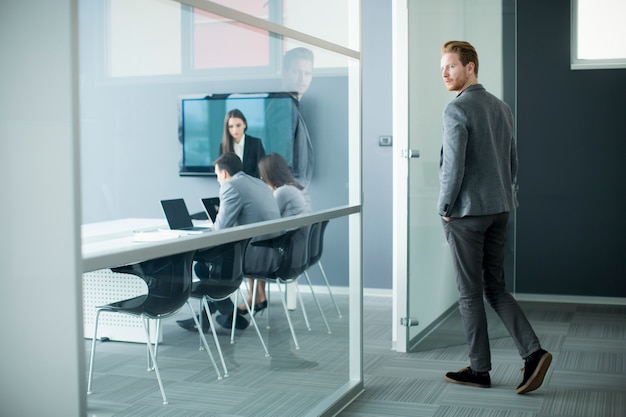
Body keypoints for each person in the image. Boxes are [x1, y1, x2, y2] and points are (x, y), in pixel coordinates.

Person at [437, 40, 552, 394]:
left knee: (470, 294)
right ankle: (533, 352)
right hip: (500, 208)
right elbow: (512, 162)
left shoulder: (456, 109)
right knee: (495, 287)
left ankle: (479, 369)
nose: (444, 73)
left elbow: (452, 167)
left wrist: (444, 207)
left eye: (451, 66)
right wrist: (506, 195)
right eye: (442, 67)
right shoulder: (502, 108)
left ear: (471, 67)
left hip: (467, 213)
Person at [177, 152, 281, 332]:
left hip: (253, 254)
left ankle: (229, 315)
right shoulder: (257, 182)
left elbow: (221, 229)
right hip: (271, 250)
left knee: (201, 266)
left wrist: (212, 226)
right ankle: (214, 317)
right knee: (211, 267)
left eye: (217, 175)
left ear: (224, 173)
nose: (218, 180)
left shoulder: (230, 186)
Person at [237, 153, 312, 314]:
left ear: (268, 174)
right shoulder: (298, 188)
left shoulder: (283, 192)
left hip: (283, 255)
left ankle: (255, 297)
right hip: (297, 251)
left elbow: (268, 216)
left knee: (247, 248)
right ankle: (258, 296)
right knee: (257, 244)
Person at [267, 47, 315, 188]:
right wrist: (290, 188)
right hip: (287, 188)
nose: (302, 78)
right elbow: (280, 156)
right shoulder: (283, 106)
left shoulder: (289, 104)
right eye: (296, 72)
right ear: (284, 73)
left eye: (307, 73)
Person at [219, 108, 265, 178]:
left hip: (252, 186)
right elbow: (221, 174)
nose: (235, 130)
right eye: (231, 126)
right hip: (232, 187)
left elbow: (262, 170)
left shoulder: (256, 144)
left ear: (244, 124)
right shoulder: (223, 146)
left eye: (238, 125)